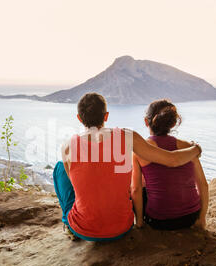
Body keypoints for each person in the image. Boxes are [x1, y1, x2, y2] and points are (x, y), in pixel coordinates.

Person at [53, 93, 202, 241]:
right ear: (106, 116)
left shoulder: (67, 146)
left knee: (60, 167)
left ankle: (68, 223)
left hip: (83, 230)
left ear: (79, 118)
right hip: (122, 227)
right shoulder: (127, 137)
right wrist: (196, 149)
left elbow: (76, 185)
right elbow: (172, 160)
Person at [131, 99, 208, 231]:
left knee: (137, 186)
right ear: (172, 124)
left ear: (146, 121)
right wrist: (201, 219)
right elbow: (203, 184)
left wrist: (139, 222)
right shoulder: (188, 147)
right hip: (190, 217)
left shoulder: (140, 152)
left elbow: (136, 190)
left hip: (159, 221)